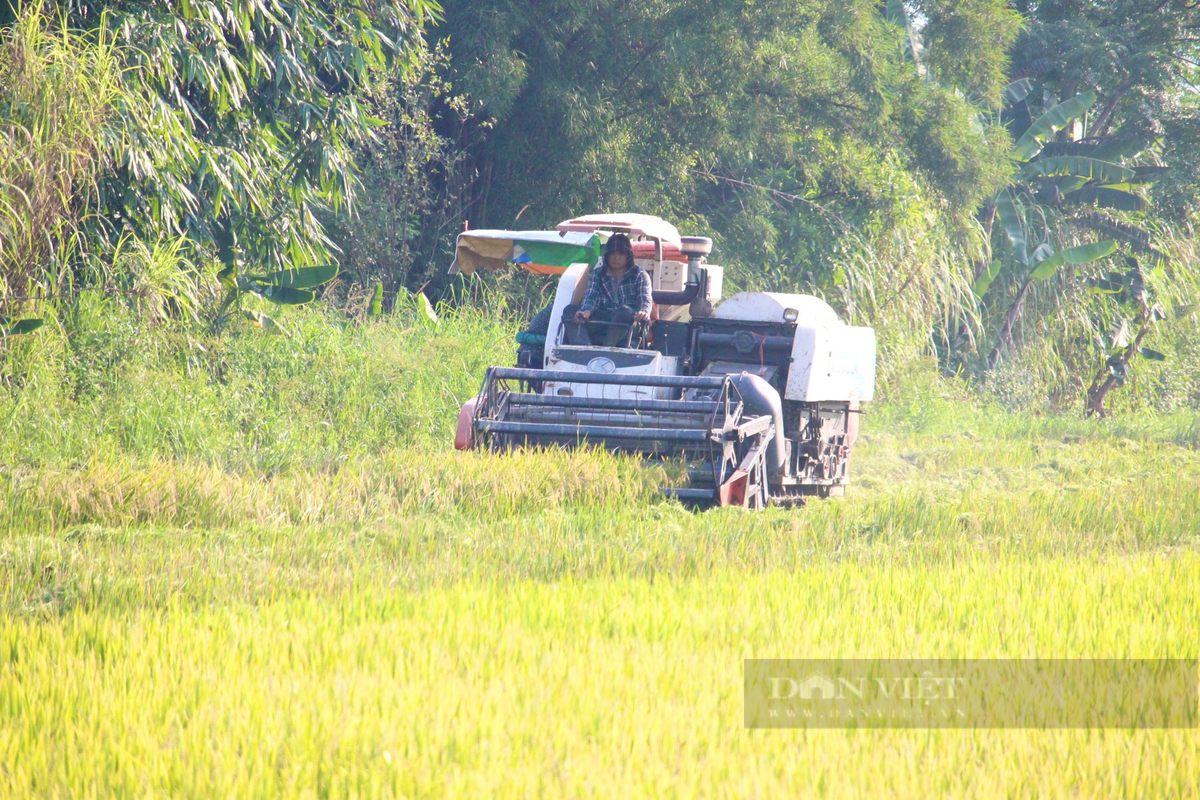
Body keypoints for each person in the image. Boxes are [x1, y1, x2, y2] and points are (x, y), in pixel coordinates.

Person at [562, 233, 653, 346]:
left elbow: (645, 300)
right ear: (607, 256)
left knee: (625, 311)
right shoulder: (598, 273)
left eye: (621, 254)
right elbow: (591, 296)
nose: (616, 258)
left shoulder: (640, 275)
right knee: (570, 310)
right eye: (612, 254)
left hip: (627, 322)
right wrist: (585, 311)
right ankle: (583, 348)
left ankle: (606, 348)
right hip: (602, 319)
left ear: (628, 256)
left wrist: (643, 312)